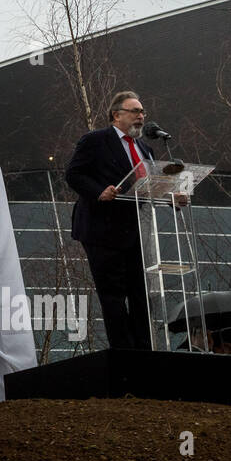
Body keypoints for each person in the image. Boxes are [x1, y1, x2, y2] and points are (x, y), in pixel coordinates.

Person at [65, 91, 159, 351]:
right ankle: (124, 353)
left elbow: (150, 187)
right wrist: (99, 191)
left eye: (143, 112)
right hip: (101, 230)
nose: (141, 116)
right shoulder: (95, 140)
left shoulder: (145, 149)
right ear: (116, 115)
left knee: (139, 294)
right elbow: (73, 174)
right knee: (113, 295)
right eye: (135, 111)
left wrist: (173, 196)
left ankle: (144, 350)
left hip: (134, 231)